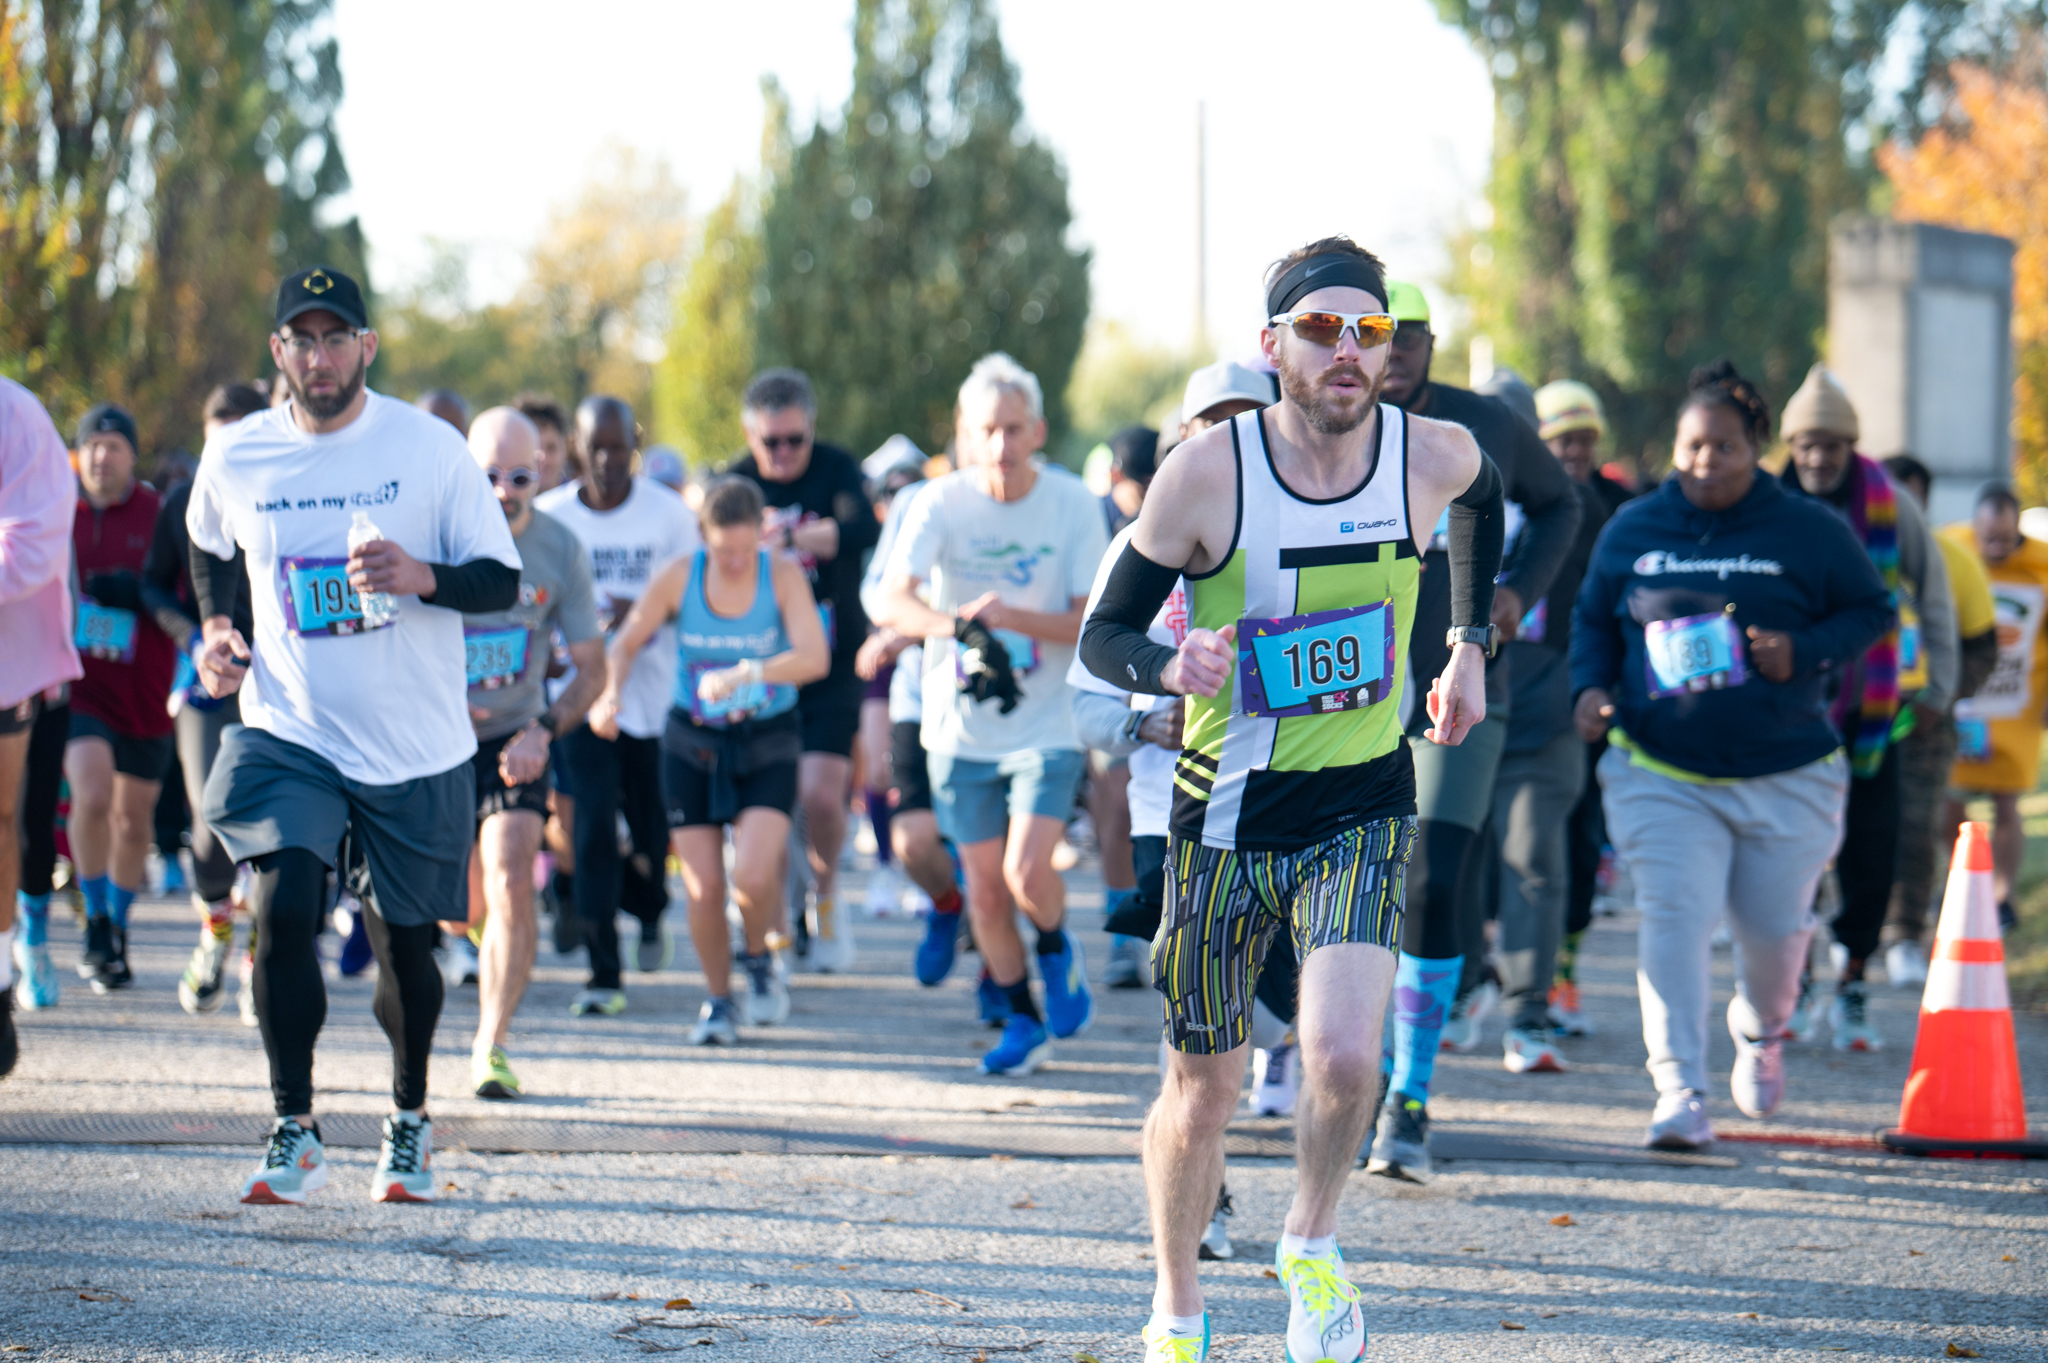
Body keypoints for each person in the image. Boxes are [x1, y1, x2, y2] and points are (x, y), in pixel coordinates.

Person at [1080, 237, 1502, 1363]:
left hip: (1360, 804)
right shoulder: (1207, 474)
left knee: (1343, 1056)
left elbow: (1487, 499)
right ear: (1273, 348)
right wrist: (1170, 668)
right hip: (1222, 815)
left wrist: (1465, 644)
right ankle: (1176, 1309)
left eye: (1366, 331)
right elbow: (1101, 632)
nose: (1347, 351)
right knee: (1205, 1086)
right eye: (1319, 330)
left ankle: (1308, 1245)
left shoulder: (1430, 451)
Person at [187, 264, 521, 1204]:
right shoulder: (239, 454)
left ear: (367, 348)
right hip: (290, 727)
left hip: (413, 744)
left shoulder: (429, 447)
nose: (321, 357)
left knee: (403, 948)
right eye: (304, 338)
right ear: (278, 351)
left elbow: (500, 578)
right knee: (283, 907)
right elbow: (206, 542)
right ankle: (294, 1125)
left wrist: (420, 575)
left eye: (339, 339)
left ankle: (407, 1119)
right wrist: (218, 627)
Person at [1572, 360, 1891, 1151]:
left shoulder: (1806, 528)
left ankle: (1762, 1027)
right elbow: (1593, 620)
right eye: (1690, 447)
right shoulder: (1635, 527)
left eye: (1722, 447)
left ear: (1756, 448)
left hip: (1787, 772)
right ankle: (1679, 1088)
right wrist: (1591, 688)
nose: (1703, 462)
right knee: (1673, 916)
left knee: (1776, 936)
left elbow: (1873, 608)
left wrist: (1804, 650)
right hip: (1662, 769)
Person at [1365, 279, 1578, 1183]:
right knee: (1345, 884)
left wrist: (1517, 593)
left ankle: (1406, 1094)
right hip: (1348, 685)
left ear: (1432, 342)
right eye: (1378, 333)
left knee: (1433, 876)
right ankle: (1335, 1060)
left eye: (1410, 334)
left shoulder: (1479, 425)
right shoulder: (1325, 426)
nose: (1396, 349)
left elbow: (1564, 503)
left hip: (1459, 679)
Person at [874, 353, 1109, 1076]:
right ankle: (1021, 1015)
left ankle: (1055, 947)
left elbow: (1090, 621)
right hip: (959, 728)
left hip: (1045, 725)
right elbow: (890, 600)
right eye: (988, 431)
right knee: (981, 887)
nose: (1002, 446)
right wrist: (955, 626)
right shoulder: (936, 503)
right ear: (965, 435)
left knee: (1025, 869)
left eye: (1014, 429)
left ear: (1036, 429)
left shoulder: (1072, 504)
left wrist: (1011, 616)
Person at [593, 476, 829, 1042]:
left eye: (747, 550)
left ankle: (758, 957)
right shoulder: (681, 575)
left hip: (767, 738)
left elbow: (815, 657)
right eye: (724, 551)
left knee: (750, 872)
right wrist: (611, 692)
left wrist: (751, 672)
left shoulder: (783, 574)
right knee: (702, 887)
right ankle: (720, 1000)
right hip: (692, 743)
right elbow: (626, 641)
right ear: (703, 540)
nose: (736, 562)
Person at [1777, 365, 1958, 1050]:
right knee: (1789, 852)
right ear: (1791, 447)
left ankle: (1851, 978)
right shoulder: (1766, 499)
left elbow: (1932, 591)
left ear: (1851, 445)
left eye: (1831, 444)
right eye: (1805, 445)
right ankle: (1790, 981)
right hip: (1786, 711)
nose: (1818, 457)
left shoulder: (1889, 501)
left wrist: (1938, 687)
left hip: (1873, 710)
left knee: (1870, 850)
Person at [456, 408, 606, 1097]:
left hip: (515, 739)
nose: (501, 491)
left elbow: (593, 668)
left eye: (517, 476)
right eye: (486, 475)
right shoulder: (435, 537)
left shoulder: (560, 549)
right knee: (459, 904)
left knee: (513, 872)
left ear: (540, 471)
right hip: (433, 740)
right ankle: (465, 938)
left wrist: (544, 729)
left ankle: (492, 1041)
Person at [536, 397, 699, 1014]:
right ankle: (604, 974)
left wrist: (644, 611)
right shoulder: (551, 517)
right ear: (577, 448)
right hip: (577, 699)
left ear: (634, 442)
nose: (607, 460)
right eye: (594, 447)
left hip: (653, 701)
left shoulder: (668, 516)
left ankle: (651, 907)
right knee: (595, 824)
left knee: (654, 826)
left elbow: (692, 595)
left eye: (618, 446)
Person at [728, 369, 883, 973]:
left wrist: (790, 533)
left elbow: (859, 528)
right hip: (763, 665)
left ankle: (825, 898)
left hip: (833, 661)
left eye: (796, 439)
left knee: (821, 795)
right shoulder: (736, 480)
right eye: (773, 442)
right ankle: (781, 914)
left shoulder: (838, 468)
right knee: (770, 802)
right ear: (751, 435)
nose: (786, 453)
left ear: (811, 429)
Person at [147, 381, 270, 1017]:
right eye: (214, 437)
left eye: (239, 435)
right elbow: (153, 587)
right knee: (209, 826)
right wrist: (195, 634)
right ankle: (216, 930)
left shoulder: (292, 491)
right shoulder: (183, 503)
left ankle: (260, 958)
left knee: (278, 835)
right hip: (207, 681)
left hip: (282, 684)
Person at [65, 402, 180, 994]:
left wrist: (139, 592)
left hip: (146, 691)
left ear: (133, 456)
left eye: (113, 445)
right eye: (92, 445)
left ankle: (116, 925)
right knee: (92, 791)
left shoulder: (158, 515)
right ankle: (93, 918)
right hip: (81, 688)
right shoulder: (59, 513)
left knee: (134, 823)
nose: (101, 456)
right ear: (77, 454)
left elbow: (186, 595)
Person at [1880, 454, 1997, 983]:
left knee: (1914, 827)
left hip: (1926, 722)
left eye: (1908, 494)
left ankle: (1905, 935)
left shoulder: (1954, 559)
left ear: (1922, 498)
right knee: (1847, 830)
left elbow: (1983, 647)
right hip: (1860, 718)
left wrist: (1940, 698)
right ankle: (1849, 931)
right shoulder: (1851, 552)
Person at [1532, 380, 1625, 1036]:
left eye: (1587, 439)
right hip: (1526, 687)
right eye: (1564, 438)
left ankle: (1564, 971)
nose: (1576, 450)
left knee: (1581, 831)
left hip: (1592, 690)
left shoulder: (1618, 508)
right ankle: (1508, 972)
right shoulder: (1519, 501)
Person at [0, 379, 87, 1065]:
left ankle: (3, 971)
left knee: (9, 819)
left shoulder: (19, 418)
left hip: (10, 655)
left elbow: (28, 551)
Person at [857, 473, 973, 981]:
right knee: (913, 842)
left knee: (988, 854)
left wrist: (904, 636)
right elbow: (877, 592)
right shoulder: (915, 501)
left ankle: (1002, 990)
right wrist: (897, 630)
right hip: (918, 697)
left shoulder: (1024, 504)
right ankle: (948, 905)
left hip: (991, 699)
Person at [1941, 483, 2048, 934]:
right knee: (1948, 805)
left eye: (2006, 539)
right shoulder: (1951, 548)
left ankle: (2002, 898)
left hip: (2017, 704)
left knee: (2008, 806)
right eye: (1989, 538)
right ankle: (1960, 890)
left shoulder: (2041, 564)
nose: (1996, 548)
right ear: (1975, 525)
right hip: (1962, 702)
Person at [514, 394, 575, 493]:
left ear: (565, 449)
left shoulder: (580, 503)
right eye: (533, 447)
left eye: (551, 448)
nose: (543, 457)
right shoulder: (498, 501)